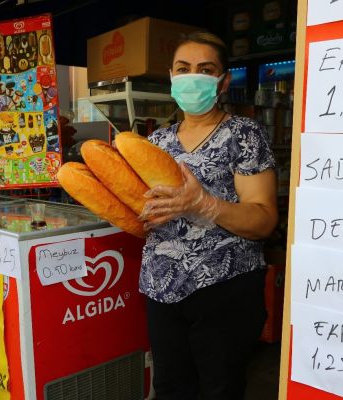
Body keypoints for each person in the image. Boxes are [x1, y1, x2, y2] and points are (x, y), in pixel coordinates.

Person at [138, 31, 279, 400]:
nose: (192, 76)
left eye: (205, 69)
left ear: (223, 80)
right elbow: (146, 213)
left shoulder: (243, 134)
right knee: (169, 388)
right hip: (162, 288)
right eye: (183, 69)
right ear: (171, 77)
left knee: (220, 390)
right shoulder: (157, 143)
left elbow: (264, 220)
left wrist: (204, 204)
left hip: (225, 291)